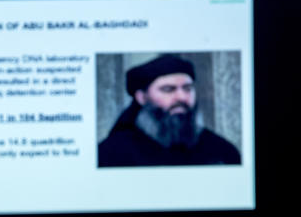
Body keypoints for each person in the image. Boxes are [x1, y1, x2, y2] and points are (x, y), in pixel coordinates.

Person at [98, 54, 241, 167]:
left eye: (188, 88)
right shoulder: (111, 153)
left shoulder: (222, 151)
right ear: (141, 97)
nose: (182, 97)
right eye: (168, 89)